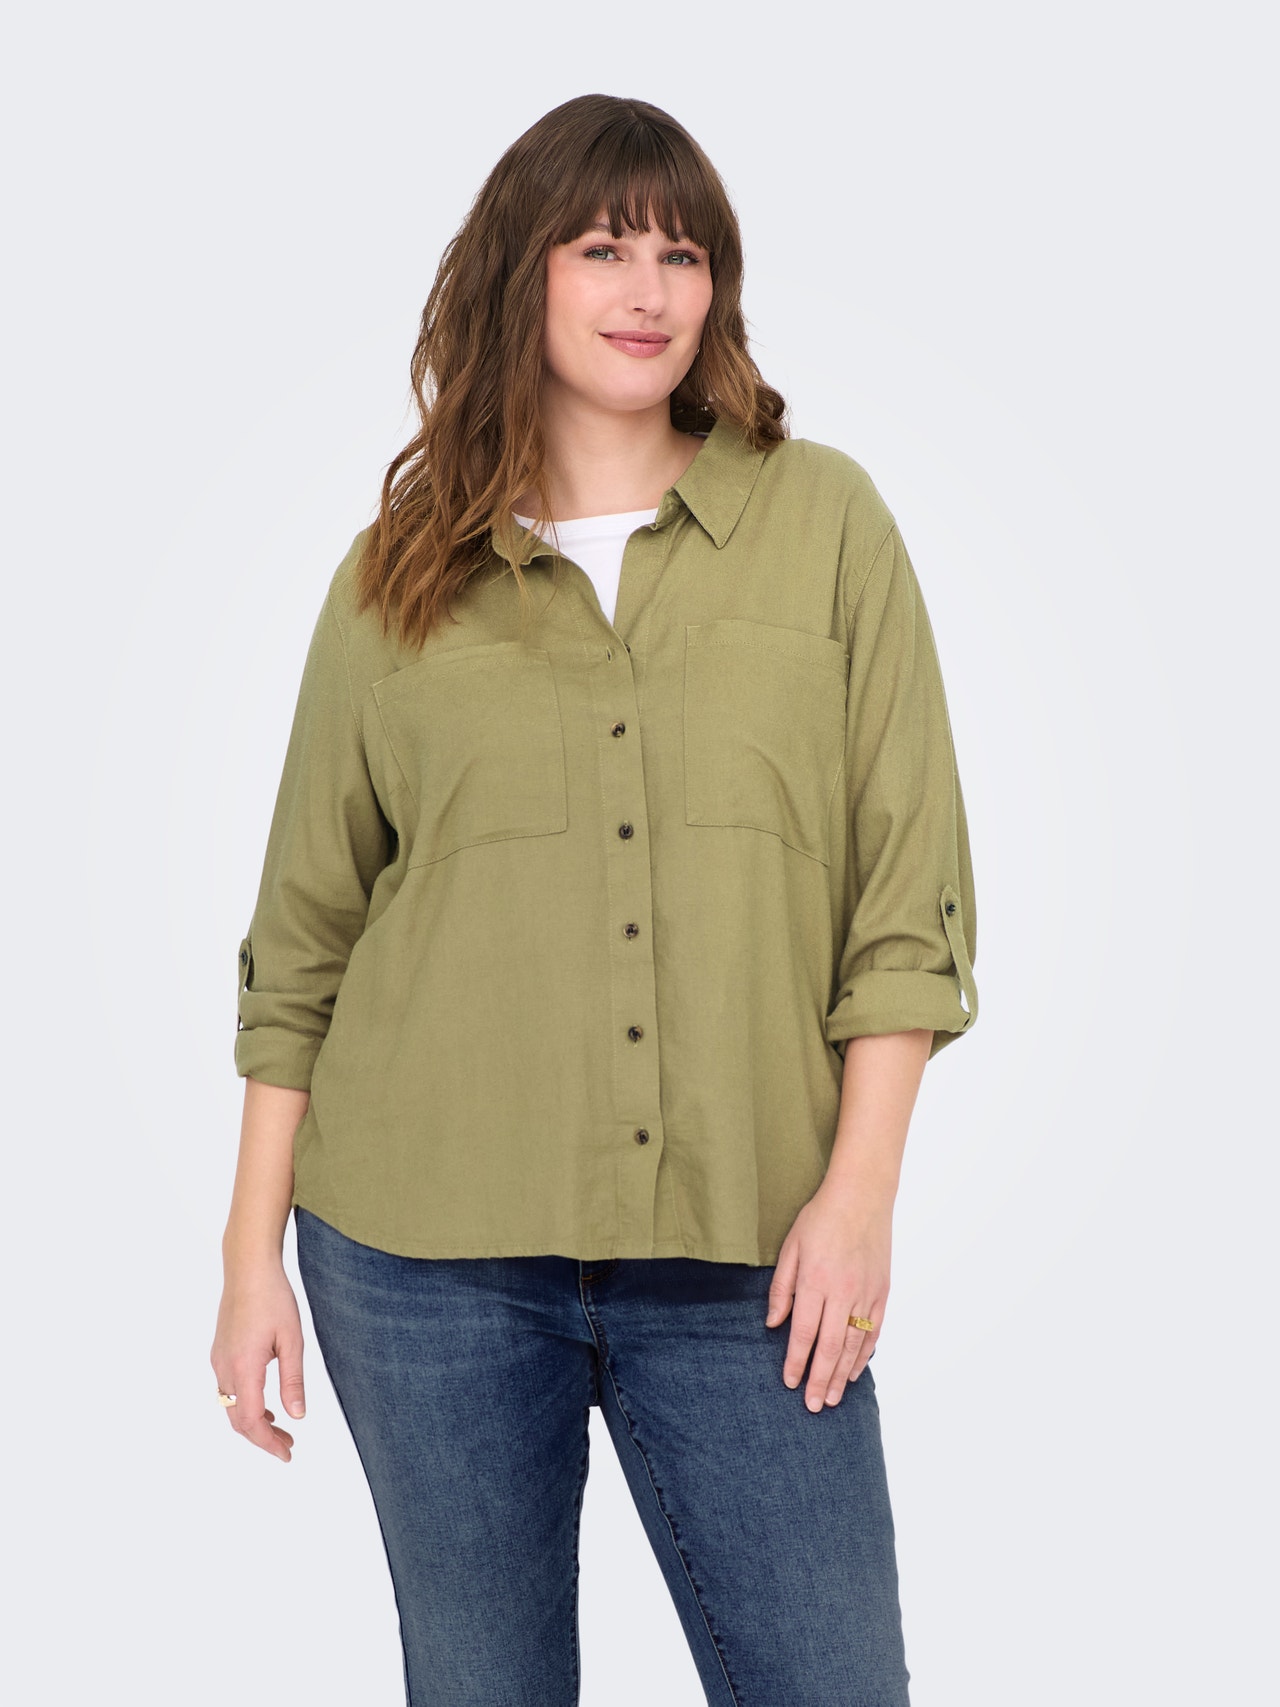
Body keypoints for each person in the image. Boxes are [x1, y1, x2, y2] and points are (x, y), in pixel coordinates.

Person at [211, 92, 979, 1707]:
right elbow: (305, 939)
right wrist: (248, 1256)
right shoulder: (398, 575)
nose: (649, 290)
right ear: (524, 274)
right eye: (605, 248)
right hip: (423, 1258)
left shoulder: (825, 524)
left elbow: (906, 902)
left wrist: (860, 1199)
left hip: (751, 1253)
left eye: (684, 255)